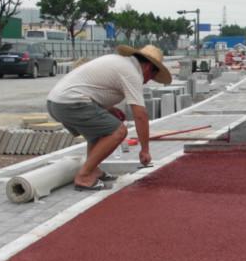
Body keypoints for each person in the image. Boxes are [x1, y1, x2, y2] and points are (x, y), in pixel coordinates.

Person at [46, 45, 172, 191]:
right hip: (70, 103)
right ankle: (84, 176)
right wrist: (145, 150)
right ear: (149, 68)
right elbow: (140, 115)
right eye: (151, 77)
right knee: (119, 131)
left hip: (56, 102)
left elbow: (94, 88)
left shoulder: (120, 63)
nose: (148, 81)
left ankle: (93, 170)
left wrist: (110, 110)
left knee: (98, 133)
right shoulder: (132, 73)